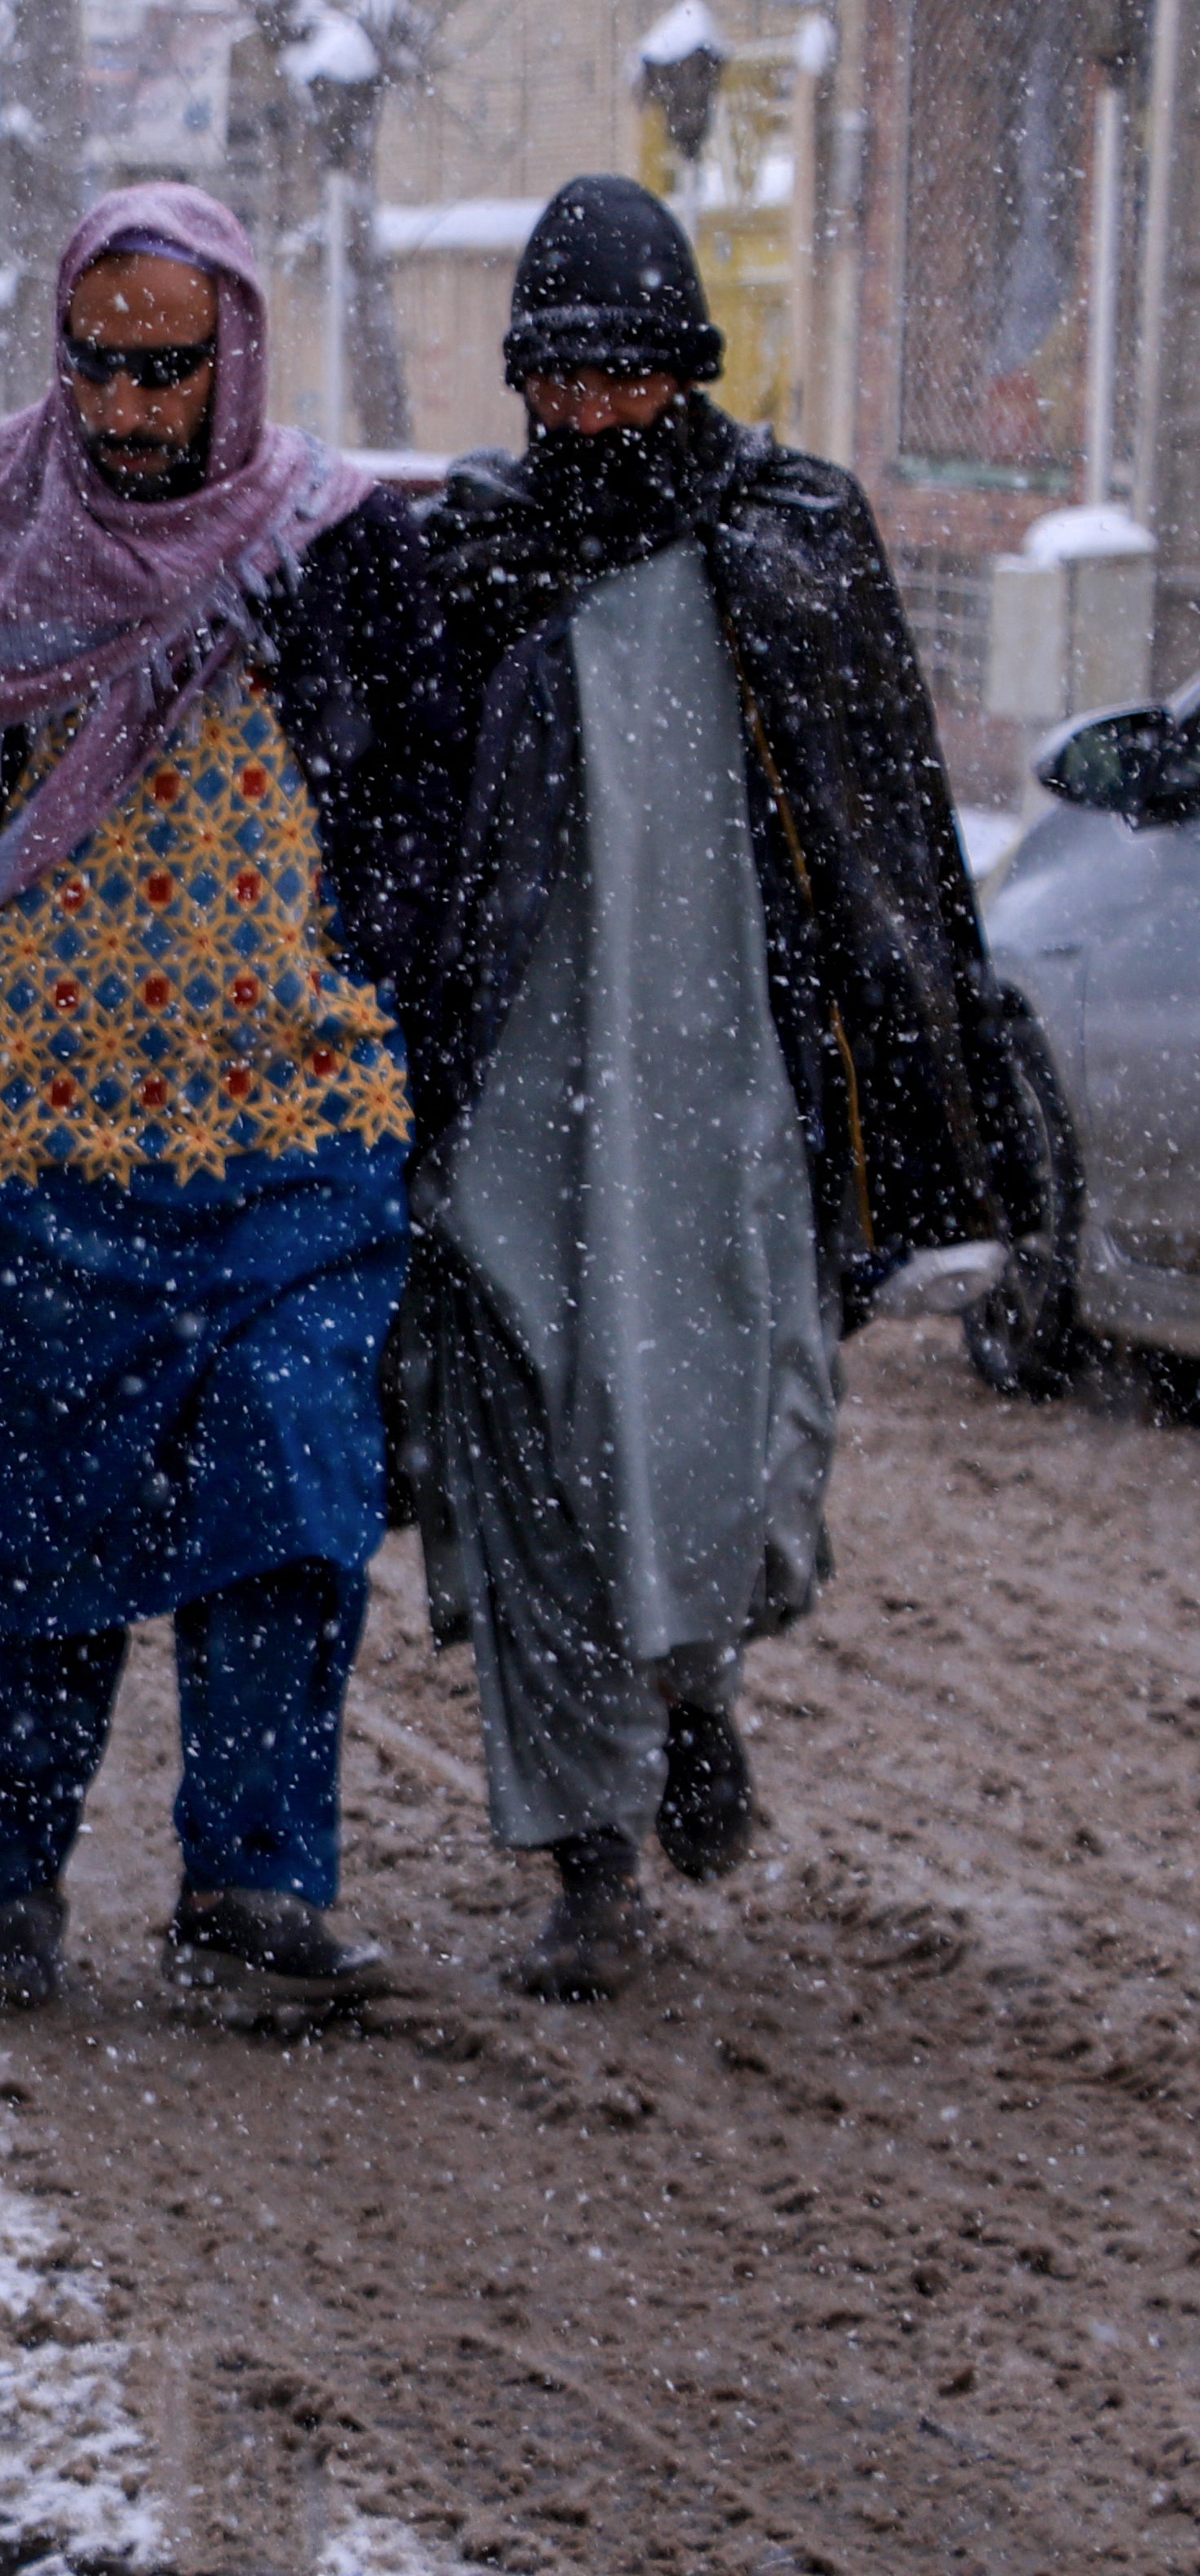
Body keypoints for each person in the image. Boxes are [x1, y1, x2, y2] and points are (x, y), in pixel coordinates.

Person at [0, 184, 463, 2012]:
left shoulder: (335, 554)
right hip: (9, 1157)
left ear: (230, 357)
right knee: (3, 1531)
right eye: (99, 366)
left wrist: (363, 1002)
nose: (130, 410)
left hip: (286, 1153)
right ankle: (2, 1892)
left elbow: (426, 822)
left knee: (291, 1508)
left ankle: (252, 1899)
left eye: (166, 370)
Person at [407, 176, 1013, 1997]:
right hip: (518, 1088)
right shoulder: (477, 556)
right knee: (529, 1453)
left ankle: (694, 1704)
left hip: (720, 1090)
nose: (587, 412)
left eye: (623, 373)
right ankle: (591, 1862)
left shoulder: (792, 536)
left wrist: (922, 1079)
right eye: (558, 378)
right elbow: (399, 825)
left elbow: (887, 838)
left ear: (683, 365)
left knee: (703, 1441)